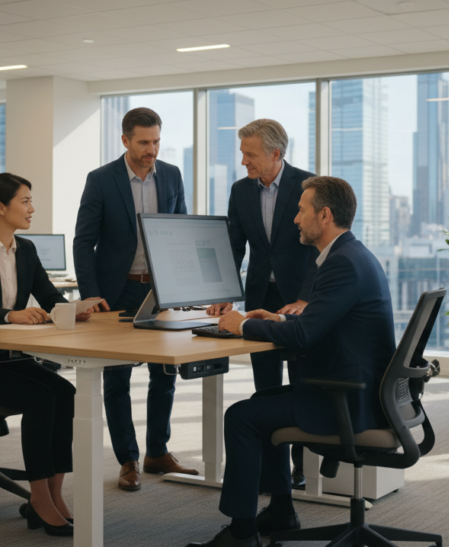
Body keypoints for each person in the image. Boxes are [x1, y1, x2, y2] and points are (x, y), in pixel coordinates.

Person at [188, 177, 395, 547]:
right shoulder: (350, 255)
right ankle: (281, 508)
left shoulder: (342, 264)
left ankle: (242, 534)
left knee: (240, 418)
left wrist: (245, 325)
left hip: (346, 401)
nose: (295, 219)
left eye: (302, 211)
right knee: (259, 404)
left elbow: (305, 338)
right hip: (358, 391)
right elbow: (319, 323)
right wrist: (279, 318)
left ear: (325, 215)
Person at [0, 173, 94, 537]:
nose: (31, 208)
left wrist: (74, 309)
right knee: (43, 398)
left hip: (13, 358)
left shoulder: (25, 249)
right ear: (1, 207)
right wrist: (10, 315)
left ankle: (54, 495)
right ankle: (38, 496)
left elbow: (48, 295)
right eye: (25, 201)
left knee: (66, 393)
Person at [72, 106, 197, 492]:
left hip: (159, 290)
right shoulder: (101, 180)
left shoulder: (172, 175)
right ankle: (127, 459)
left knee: (165, 374)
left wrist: (184, 286)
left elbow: (181, 230)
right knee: (117, 377)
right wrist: (90, 294)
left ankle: (157, 451)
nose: (151, 149)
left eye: (156, 141)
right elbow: (83, 240)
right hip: (117, 290)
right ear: (125, 140)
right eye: (144, 142)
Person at [206, 118, 317, 488]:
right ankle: (275, 471)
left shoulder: (308, 186)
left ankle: (303, 467)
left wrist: (305, 297)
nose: (244, 161)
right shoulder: (240, 191)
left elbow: (322, 248)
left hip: (298, 299)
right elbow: (234, 245)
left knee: (301, 384)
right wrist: (225, 290)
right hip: (259, 297)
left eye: (250, 154)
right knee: (266, 387)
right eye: (242, 153)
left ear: (275, 154)